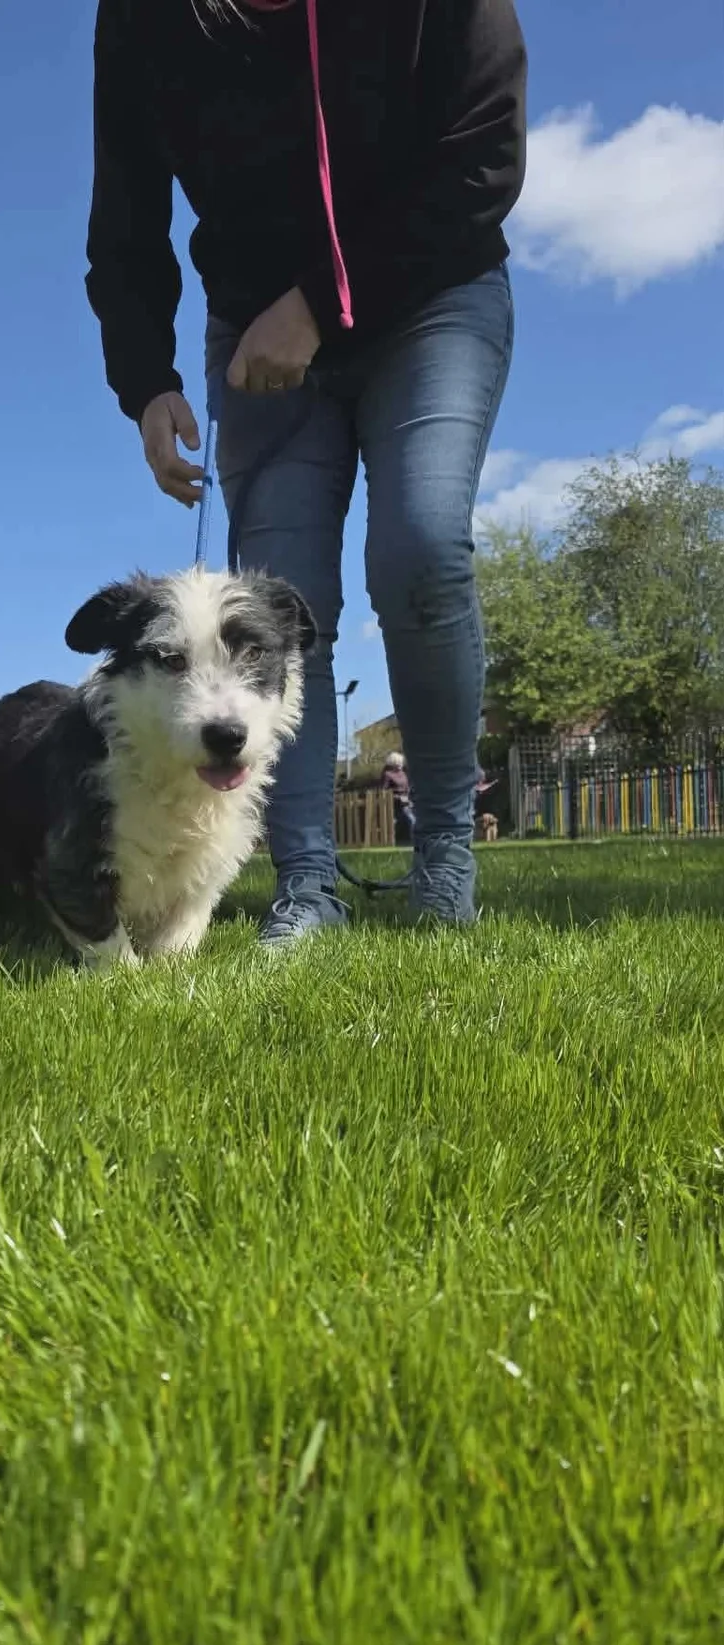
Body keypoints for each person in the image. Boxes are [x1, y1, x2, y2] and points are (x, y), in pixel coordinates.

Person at [84, 0, 527, 944]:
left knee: (421, 547)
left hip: (431, 294)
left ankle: (443, 857)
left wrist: (322, 302)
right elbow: (126, 200)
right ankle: (307, 888)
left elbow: (484, 149)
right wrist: (146, 379)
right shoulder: (145, 16)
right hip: (254, 334)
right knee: (282, 607)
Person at [380, 751, 415, 848]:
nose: (400, 764)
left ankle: (414, 841)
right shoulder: (387, 774)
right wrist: (397, 797)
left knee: (411, 820)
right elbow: (383, 790)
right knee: (397, 823)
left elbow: (407, 787)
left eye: (401, 762)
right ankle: (391, 843)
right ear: (393, 763)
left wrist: (409, 798)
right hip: (393, 803)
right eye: (398, 762)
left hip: (405, 802)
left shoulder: (403, 774)